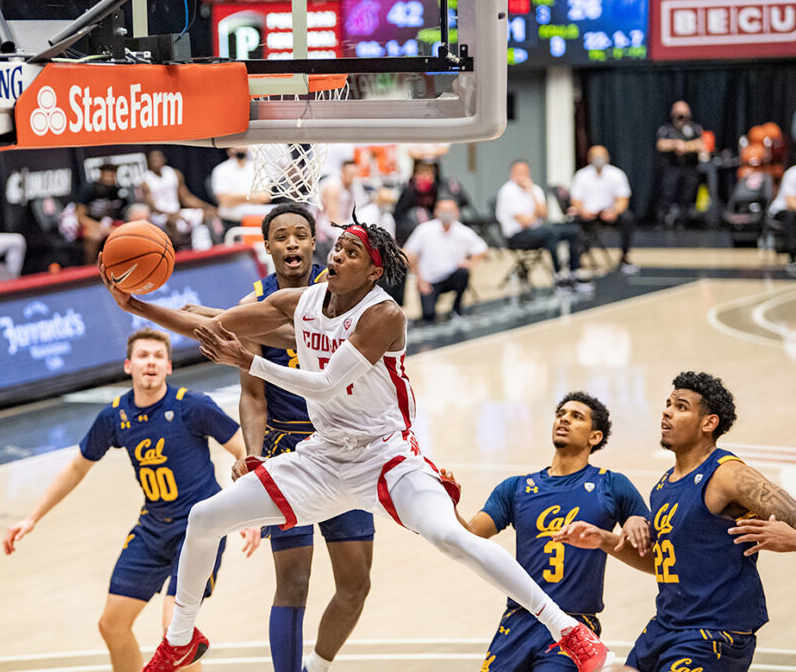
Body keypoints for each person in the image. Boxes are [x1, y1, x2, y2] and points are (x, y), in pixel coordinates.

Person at [99, 216, 614, 672]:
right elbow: (210, 323)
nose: (335, 256)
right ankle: (181, 639)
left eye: (350, 253)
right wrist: (137, 304)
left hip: (385, 455)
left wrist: (247, 361)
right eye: (337, 247)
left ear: (371, 272)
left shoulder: (383, 316)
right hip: (324, 457)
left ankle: (568, 630)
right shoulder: (299, 303)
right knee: (204, 518)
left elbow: (325, 384)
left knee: (449, 538)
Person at [3, 328, 252, 672]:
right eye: (143, 356)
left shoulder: (191, 406)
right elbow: (77, 468)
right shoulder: (115, 416)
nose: (150, 362)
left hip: (199, 530)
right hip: (153, 528)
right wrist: (32, 517)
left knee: (175, 633)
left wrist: (246, 514)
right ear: (128, 366)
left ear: (168, 367)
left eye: (157, 357)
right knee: (111, 625)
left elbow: (245, 451)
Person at [555, 371, 796, 671]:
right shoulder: (663, 486)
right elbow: (661, 561)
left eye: (681, 407)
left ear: (709, 423)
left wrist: (792, 538)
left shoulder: (728, 474)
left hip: (714, 633)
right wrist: (604, 539)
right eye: (668, 403)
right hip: (666, 627)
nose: (666, 411)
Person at [236, 203, 376, 672]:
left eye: (301, 235)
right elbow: (253, 396)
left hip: (347, 446)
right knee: (292, 582)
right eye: (282, 237)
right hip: (287, 450)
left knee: (356, 584)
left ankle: (318, 666)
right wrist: (252, 455)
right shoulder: (252, 304)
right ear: (269, 246)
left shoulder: (345, 292)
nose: (292, 243)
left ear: (315, 243)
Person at [446, 392, 649, 671]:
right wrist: (446, 503)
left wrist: (638, 520)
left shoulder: (612, 485)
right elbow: (468, 536)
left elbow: (648, 542)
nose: (564, 418)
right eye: (561, 414)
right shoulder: (515, 488)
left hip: (573, 625)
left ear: (595, 437)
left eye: (577, 417)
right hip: (518, 621)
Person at [496, 160, 591, 292]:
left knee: (572, 230)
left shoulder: (535, 189)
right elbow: (525, 222)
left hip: (538, 230)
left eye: (525, 172)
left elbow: (544, 215)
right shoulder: (507, 191)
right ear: (512, 174)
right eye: (519, 172)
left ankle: (574, 273)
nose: (523, 175)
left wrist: (531, 193)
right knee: (549, 233)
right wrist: (536, 213)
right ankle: (559, 276)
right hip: (517, 235)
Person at [404, 197, 488, 322]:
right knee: (428, 315)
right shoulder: (424, 230)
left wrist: (470, 263)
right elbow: (408, 254)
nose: (447, 214)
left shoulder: (463, 232)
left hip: (451, 276)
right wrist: (419, 280)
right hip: (429, 281)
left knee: (463, 273)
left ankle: (456, 309)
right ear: (436, 212)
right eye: (443, 210)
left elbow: (483, 249)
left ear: (457, 212)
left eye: (451, 210)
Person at [569, 146, 638, 274]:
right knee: (573, 224)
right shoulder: (581, 175)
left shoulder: (617, 174)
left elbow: (623, 199)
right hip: (587, 214)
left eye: (601, 155)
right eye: (595, 155)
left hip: (609, 213)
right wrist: (583, 211)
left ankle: (624, 256)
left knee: (627, 218)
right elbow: (575, 200)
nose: (598, 159)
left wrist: (614, 211)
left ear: (607, 158)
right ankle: (575, 261)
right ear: (589, 158)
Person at [143, 148, 221, 250]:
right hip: (159, 216)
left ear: (164, 159)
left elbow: (187, 198)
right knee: (173, 222)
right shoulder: (145, 180)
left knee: (205, 214)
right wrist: (173, 214)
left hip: (177, 211)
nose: (155, 161)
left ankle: (202, 248)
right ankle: (177, 252)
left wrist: (209, 207)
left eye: (158, 157)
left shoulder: (174, 173)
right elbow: (153, 207)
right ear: (148, 162)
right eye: (152, 159)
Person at [655, 101, 706, 229]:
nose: (681, 115)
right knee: (667, 195)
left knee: (686, 196)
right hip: (671, 167)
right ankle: (662, 222)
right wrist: (674, 144)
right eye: (678, 111)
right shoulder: (666, 129)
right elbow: (660, 144)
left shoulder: (695, 128)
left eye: (684, 112)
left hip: (690, 167)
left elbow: (702, 144)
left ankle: (682, 223)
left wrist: (686, 146)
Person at [70, 163, 133, 264]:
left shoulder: (119, 190)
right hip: (91, 223)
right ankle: (89, 267)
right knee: (94, 235)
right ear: (100, 175)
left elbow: (124, 214)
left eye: (112, 176)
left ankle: (125, 263)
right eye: (107, 175)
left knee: (127, 232)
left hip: (110, 223)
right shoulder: (88, 189)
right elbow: (80, 218)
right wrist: (99, 226)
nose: (109, 179)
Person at [317, 160, 371, 262]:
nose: (351, 177)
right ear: (342, 171)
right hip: (325, 228)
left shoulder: (354, 186)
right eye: (349, 174)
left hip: (343, 222)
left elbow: (364, 207)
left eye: (354, 174)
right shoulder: (332, 187)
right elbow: (332, 219)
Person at [210, 147, 271, 228]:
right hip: (231, 221)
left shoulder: (259, 168)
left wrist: (235, 198)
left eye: (242, 145)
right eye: (236, 146)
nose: (240, 148)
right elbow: (225, 200)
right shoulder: (221, 170)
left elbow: (265, 197)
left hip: (257, 220)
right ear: (229, 150)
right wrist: (254, 197)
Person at [767, 163, 796, 276]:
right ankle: (792, 257)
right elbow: (790, 202)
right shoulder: (792, 174)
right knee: (790, 216)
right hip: (782, 209)